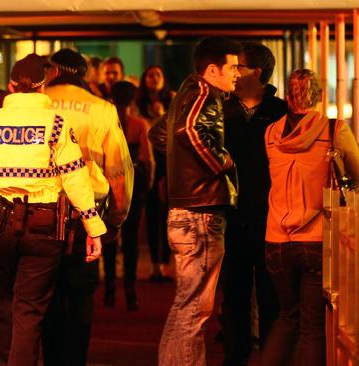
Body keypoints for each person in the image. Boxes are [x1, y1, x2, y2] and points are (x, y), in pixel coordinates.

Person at [0, 53, 106, 366]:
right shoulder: (55, 124)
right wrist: (94, 228)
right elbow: (75, 177)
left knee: (8, 303)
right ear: (42, 86)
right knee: (29, 309)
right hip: (43, 226)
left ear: (10, 85)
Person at [149, 37, 241, 366]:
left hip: (185, 211)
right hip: (200, 213)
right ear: (212, 69)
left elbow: (158, 134)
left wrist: (181, 166)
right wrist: (221, 161)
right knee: (194, 310)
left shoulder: (185, 94)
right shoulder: (203, 94)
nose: (238, 74)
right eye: (233, 67)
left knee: (186, 307)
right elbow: (186, 130)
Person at [41, 49, 133, 365]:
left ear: (53, 71)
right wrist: (117, 219)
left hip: (39, 212)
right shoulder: (102, 109)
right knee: (80, 296)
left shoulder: (35, 104)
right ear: (83, 75)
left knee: (46, 295)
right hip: (85, 216)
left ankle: (51, 357)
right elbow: (119, 170)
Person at [262, 69, 359, 366]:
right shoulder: (334, 130)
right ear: (319, 96)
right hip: (315, 239)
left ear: (288, 97)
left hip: (275, 239)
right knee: (313, 325)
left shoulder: (271, 134)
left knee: (286, 316)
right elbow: (356, 174)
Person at [220, 42, 286, 366]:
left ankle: (272, 358)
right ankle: (236, 356)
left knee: (271, 296)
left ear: (257, 72)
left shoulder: (280, 112)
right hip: (230, 216)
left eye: (239, 67)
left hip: (270, 216)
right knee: (233, 295)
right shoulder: (220, 107)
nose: (233, 73)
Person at [110, 80, 154, 309]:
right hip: (133, 185)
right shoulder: (139, 124)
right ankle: (130, 289)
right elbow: (148, 160)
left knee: (108, 235)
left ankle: (109, 288)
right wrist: (148, 186)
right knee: (131, 240)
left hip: (108, 184)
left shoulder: (108, 122)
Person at [138, 65, 175, 281]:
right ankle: (154, 263)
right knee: (152, 212)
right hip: (146, 161)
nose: (154, 78)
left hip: (168, 160)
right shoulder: (138, 103)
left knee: (169, 213)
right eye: (150, 75)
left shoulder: (172, 99)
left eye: (158, 75)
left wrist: (161, 116)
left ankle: (165, 262)